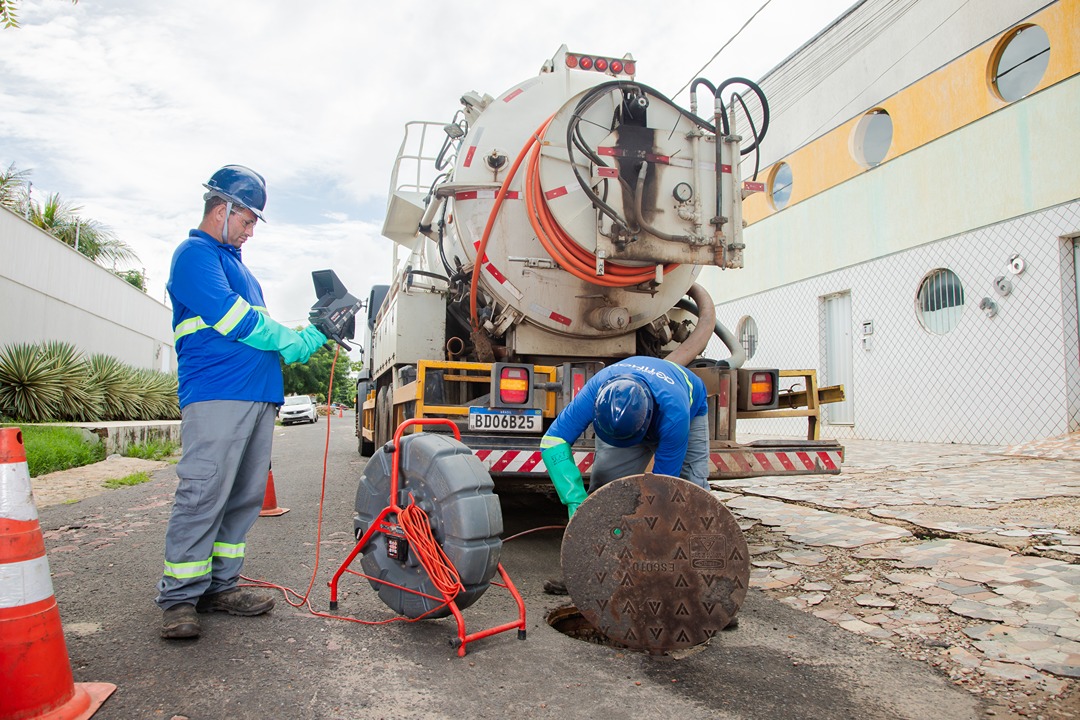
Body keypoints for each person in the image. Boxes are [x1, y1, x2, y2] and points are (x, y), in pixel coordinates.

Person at [157, 165, 327, 639]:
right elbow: (237, 322)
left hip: (257, 395)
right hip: (216, 392)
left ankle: (220, 586)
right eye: (248, 220)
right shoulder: (194, 254)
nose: (251, 231)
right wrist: (297, 340)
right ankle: (179, 598)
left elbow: (265, 337)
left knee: (243, 497)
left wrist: (313, 332)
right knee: (203, 491)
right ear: (222, 209)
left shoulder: (239, 268)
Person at [540, 355, 710, 519]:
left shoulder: (675, 416)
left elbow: (663, 483)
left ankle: (695, 540)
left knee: (690, 487)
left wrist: (649, 527)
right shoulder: (596, 389)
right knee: (607, 490)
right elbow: (553, 441)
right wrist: (574, 499)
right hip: (635, 417)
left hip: (690, 409)